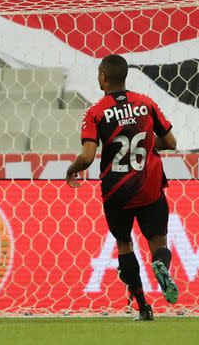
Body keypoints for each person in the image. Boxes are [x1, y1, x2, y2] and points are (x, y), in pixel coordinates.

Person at [66, 54, 179, 320]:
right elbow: (170, 142)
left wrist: (72, 169)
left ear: (103, 77)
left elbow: (87, 155)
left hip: (117, 192)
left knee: (124, 243)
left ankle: (143, 307)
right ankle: (160, 265)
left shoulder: (95, 112)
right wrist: (149, 144)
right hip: (150, 185)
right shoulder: (146, 103)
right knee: (158, 241)